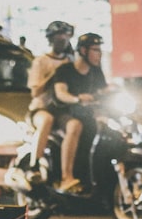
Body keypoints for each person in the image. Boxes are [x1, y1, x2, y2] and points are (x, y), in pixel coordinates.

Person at [51, 32, 108, 192]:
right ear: (83, 51)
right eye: (95, 50)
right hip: (64, 113)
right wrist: (77, 99)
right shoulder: (65, 70)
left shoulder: (96, 72)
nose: (100, 54)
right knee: (75, 126)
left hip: (87, 115)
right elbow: (61, 93)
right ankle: (66, 177)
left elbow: (103, 90)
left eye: (100, 50)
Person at [25, 20, 74, 175]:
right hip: (41, 108)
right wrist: (54, 75)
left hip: (62, 109)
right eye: (59, 37)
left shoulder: (70, 61)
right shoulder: (41, 61)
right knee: (47, 120)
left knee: (76, 125)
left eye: (65, 37)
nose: (62, 41)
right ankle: (35, 165)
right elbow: (35, 92)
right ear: (51, 39)